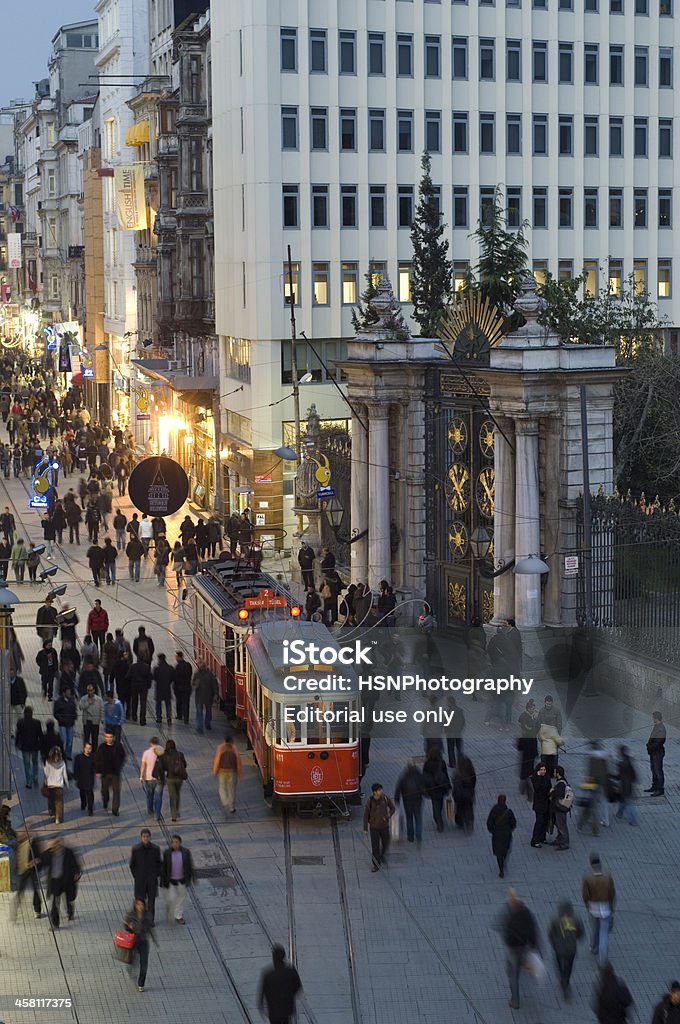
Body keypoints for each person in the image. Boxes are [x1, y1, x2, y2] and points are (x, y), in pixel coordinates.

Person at [498, 888, 540, 1010]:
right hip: (524, 948)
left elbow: (507, 933)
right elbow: (533, 930)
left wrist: (507, 942)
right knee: (518, 966)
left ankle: (515, 1000)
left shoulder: (511, 916)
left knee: (512, 974)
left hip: (513, 950)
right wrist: (534, 946)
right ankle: (525, 967)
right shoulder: (526, 912)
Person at [582, 854, 616, 967]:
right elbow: (612, 893)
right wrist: (611, 906)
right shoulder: (608, 878)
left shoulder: (588, 879)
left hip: (593, 907)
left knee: (594, 928)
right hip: (605, 907)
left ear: (591, 866)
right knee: (604, 933)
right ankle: (603, 960)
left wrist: (587, 905)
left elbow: (585, 895)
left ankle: (594, 947)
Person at [548, 900, 584, 1001]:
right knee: (569, 966)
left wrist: (554, 943)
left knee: (559, 964)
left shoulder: (555, 920)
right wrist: (574, 938)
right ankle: (566, 981)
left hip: (558, 948)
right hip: (571, 949)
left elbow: (550, 934)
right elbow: (581, 934)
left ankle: (562, 980)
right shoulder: (576, 920)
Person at [41, 837, 81, 928]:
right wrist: (35, 862)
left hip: (67, 881)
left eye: (53, 845)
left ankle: (70, 912)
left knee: (68, 899)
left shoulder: (68, 853)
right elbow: (41, 860)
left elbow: (75, 864)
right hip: (55, 882)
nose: (51, 848)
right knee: (54, 903)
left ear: (58, 845)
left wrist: (77, 873)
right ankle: (55, 923)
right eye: (50, 846)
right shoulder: (49, 853)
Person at [257, 944, 303, 1024]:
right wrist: (290, 995)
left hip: (273, 1011)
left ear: (273, 958)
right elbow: (298, 986)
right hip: (287, 1009)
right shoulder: (291, 971)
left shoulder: (268, 975)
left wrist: (262, 1007)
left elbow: (262, 993)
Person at [160, 833, 195, 924]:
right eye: (173, 842)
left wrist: (192, 877)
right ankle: (171, 908)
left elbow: (189, 865)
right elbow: (164, 867)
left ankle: (178, 916)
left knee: (180, 898)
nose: (175, 844)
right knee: (171, 898)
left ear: (180, 843)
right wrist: (162, 881)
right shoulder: (167, 853)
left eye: (177, 842)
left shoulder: (186, 852)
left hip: (182, 880)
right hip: (171, 880)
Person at [123, 898, 157, 992]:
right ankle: (130, 968)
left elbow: (150, 928)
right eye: (138, 905)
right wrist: (129, 927)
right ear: (135, 906)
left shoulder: (147, 915)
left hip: (143, 942)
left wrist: (154, 939)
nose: (140, 907)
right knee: (132, 960)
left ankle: (141, 983)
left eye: (141, 905)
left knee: (144, 963)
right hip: (133, 941)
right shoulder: (131, 915)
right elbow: (125, 925)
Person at [10, 827, 43, 922]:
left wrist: (33, 862)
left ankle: (37, 910)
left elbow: (39, 857)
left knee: (35, 889)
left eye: (27, 831)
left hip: (31, 870)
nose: (25, 833)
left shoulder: (34, 842)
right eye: (24, 831)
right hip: (22, 870)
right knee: (20, 890)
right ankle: (15, 908)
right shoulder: (20, 842)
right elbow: (17, 854)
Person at [129, 828, 162, 923]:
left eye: (147, 837)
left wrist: (155, 874)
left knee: (151, 902)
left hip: (152, 880)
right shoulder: (136, 849)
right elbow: (132, 865)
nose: (146, 838)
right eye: (144, 837)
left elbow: (159, 863)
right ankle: (140, 919)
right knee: (140, 901)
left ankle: (150, 920)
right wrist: (137, 876)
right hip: (140, 880)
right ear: (141, 837)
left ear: (150, 837)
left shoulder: (155, 849)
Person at [363, 782, 395, 872]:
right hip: (374, 828)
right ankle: (376, 864)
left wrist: (388, 815)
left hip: (384, 826)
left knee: (386, 843)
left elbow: (393, 808)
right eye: (379, 790)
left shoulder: (385, 798)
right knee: (375, 847)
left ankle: (382, 855)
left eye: (381, 790)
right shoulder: (370, 802)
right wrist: (365, 828)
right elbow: (365, 816)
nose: (381, 791)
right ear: (375, 792)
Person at [94, 729, 126, 815]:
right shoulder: (101, 747)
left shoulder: (118, 746)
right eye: (107, 737)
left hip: (115, 773)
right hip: (105, 773)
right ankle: (105, 800)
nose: (109, 739)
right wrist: (98, 771)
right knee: (104, 790)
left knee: (116, 791)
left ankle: (115, 809)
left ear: (114, 737)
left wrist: (119, 765)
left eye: (110, 737)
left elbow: (123, 756)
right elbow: (97, 760)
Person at [154, 739, 187, 822]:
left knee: (172, 796)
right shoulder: (180, 754)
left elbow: (162, 768)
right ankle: (177, 810)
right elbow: (185, 765)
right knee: (177, 793)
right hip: (179, 778)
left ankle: (173, 815)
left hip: (170, 778)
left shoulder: (165, 755)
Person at [394, 760, 426, 844]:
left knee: (409, 818)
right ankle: (418, 834)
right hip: (418, 800)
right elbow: (423, 786)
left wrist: (396, 800)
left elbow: (398, 789)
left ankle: (410, 836)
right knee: (418, 817)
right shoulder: (419, 775)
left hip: (407, 801)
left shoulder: (404, 776)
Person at [486, 794, 517, 878]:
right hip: (506, 834)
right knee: (505, 850)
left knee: (498, 851)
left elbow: (489, 822)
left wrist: (492, 830)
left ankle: (501, 868)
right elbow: (513, 823)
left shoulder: (493, 810)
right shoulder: (508, 812)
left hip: (497, 834)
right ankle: (503, 861)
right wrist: (509, 829)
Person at [422, 746, 451, 833]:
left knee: (435, 806)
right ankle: (440, 821)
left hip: (432, 789)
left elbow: (424, 777)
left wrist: (425, 788)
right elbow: (445, 775)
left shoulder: (427, 764)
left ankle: (439, 823)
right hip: (441, 788)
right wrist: (448, 786)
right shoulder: (441, 763)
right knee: (440, 805)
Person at [213, 733, 243, 814]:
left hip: (222, 771)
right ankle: (231, 807)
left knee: (222, 788)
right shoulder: (234, 748)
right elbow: (238, 762)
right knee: (232, 789)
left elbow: (217, 760)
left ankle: (225, 801)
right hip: (232, 771)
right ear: (232, 740)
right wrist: (240, 774)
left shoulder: (221, 748)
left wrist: (215, 771)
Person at [536, 695, 565, 774]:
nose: (548, 705)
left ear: (552, 703)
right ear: (544, 703)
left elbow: (559, 724)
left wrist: (557, 736)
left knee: (554, 756)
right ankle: (544, 771)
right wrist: (540, 736)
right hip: (545, 738)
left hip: (553, 738)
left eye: (550, 704)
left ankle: (554, 771)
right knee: (544, 756)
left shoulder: (556, 711)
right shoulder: (541, 711)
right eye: (547, 703)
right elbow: (538, 723)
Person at [15, 706, 42, 788]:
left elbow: (18, 735)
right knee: (35, 762)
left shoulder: (20, 722)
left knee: (27, 764)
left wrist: (17, 744)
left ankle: (29, 782)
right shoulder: (37, 722)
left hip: (25, 747)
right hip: (35, 746)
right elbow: (40, 735)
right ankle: (35, 776)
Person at [517, 699, 538, 799]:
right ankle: (528, 790)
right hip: (528, 745)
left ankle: (523, 788)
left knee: (527, 769)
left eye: (534, 709)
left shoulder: (530, 716)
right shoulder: (525, 717)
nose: (533, 710)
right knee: (528, 769)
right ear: (528, 709)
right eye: (532, 709)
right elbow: (529, 729)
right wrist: (534, 720)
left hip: (529, 746)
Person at [140, 736, 165, 819]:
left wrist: (141, 777)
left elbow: (143, 765)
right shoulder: (161, 752)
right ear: (158, 743)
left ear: (150, 743)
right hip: (159, 778)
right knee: (158, 797)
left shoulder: (146, 753)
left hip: (148, 778)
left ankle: (150, 810)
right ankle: (157, 814)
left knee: (149, 795)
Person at [588, 740, 611, 830]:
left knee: (592, 800)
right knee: (604, 802)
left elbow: (591, 771)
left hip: (594, 783)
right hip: (604, 783)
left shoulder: (592, 757)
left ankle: (591, 818)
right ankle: (606, 820)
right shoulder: (605, 756)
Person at [192, 659, 218, 733]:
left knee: (205, 712)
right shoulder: (198, 674)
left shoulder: (208, 674)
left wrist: (215, 694)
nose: (199, 666)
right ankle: (201, 726)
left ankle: (205, 724)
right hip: (204, 697)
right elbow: (193, 683)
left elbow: (214, 685)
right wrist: (195, 684)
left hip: (204, 697)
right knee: (202, 712)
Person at [44, 745, 69, 824]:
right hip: (59, 785)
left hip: (50, 784)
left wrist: (45, 781)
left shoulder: (48, 762)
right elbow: (64, 775)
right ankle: (59, 819)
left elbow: (46, 773)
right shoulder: (62, 763)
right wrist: (67, 784)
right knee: (59, 802)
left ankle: (53, 813)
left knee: (51, 800)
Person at [549, 765, 572, 851]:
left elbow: (559, 795)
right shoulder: (561, 782)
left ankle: (565, 843)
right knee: (558, 825)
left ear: (558, 774)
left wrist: (552, 792)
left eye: (555, 772)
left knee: (562, 826)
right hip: (558, 808)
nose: (553, 773)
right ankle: (559, 839)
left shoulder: (561, 784)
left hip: (560, 809)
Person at [615, 745, 639, 826]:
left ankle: (633, 820)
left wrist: (610, 775)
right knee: (623, 801)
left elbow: (619, 776)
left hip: (625, 787)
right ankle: (619, 813)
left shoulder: (621, 764)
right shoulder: (629, 761)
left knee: (628, 803)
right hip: (629, 785)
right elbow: (634, 776)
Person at [453, 755, 477, 834]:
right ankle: (469, 822)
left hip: (460, 796)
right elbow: (473, 784)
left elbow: (455, 786)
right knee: (469, 808)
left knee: (459, 808)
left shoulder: (458, 774)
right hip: (469, 794)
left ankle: (460, 823)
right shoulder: (472, 773)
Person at [530, 762, 551, 848]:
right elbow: (537, 788)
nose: (543, 771)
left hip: (546, 803)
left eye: (544, 770)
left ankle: (542, 837)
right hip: (539, 804)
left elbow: (549, 786)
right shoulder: (534, 778)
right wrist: (538, 777)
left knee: (545, 821)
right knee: (539, 822)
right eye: (541, 770)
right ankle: (535, 840)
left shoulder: (547, 777)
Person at [53, 686, 78, 761]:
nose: (69, 693)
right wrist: (61, 719)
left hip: (70, 723)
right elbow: (56, 713)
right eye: (68, 692)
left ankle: (68, 754)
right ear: (64, 693)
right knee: (63, 739)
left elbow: (74, 710)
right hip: (63, 724)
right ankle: (62, 754)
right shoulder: (58, 702)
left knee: (70, 740)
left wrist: (74, 717)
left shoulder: (72, 701)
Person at [73, 740, 96, 815]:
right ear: (84, 748)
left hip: (89, 779)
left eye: (90, 748)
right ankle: (83, 803)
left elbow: (95, 768)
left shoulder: (93, 758)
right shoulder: (79, 757)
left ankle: (90, 809)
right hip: (81, 779)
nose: (88, 750)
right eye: (87, 748)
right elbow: (76, 768)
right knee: (82, 793)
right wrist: (76, 776)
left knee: (90, 794)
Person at [646, 710, 666, 797]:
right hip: (653, 752)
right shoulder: (657, 726)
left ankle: (660, 789)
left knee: (658, 771)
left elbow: (659, 742)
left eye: (653, 717)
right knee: (653, 770)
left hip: (657, 753)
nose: (652, 719)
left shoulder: (661, 729)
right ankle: (654, 786)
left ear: (656, 718)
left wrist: (649, 746)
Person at [128, 656, 152, 727]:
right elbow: (149, 677)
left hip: (134, 686)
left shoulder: (133, 666)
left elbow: (128, 676)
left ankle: (134, 716)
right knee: (143, 703)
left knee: (134, 701)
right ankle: (142, 719)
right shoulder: (147, 667)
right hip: (143, 686)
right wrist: (148, 685)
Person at [79, 684, 104, 749]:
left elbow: (102, 710)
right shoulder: (84, 698)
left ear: (94, 690)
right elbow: (80, 707)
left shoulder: (99, 699)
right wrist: (87, 703)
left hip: (95, 721)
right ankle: (86, 751)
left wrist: (102, 719)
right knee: (86, 738)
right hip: (87, 721)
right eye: (88, 690)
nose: (89, 692)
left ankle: (94, 752)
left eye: (91, 690)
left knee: (95, 738)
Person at [152, 653, 173, 724]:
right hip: (167, 688)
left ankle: (159, 718)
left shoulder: (156, 668)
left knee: (158, 704)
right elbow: (172, 678)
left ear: (159, 659)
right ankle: (169, 718)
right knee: (168, 704)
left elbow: (154, 678)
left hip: (159, 688)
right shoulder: (170, 668)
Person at [173, 651, 192, 724]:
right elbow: (190, 675)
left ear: (179, 657)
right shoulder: (188, 665)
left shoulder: (178, 666)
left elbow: (175, 677)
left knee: (179, 702)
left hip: (179, 687)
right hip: (187, 687)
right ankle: (186, 718)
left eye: (176, 657)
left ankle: (179, 715)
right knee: (186, 703)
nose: (175, 658)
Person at [10, 670, 27, 737]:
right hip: (9, 703)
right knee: (9, 718)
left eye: (12, 673)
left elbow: (24, 691)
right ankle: (11, 732)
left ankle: (20, 731)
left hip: (18, 703)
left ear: (15, 674)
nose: (11, 675)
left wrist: (23, 702)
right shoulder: (6, 680)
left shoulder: (20, 680)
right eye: (10, 674)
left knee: (20, 718)